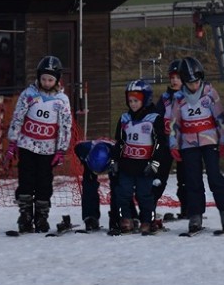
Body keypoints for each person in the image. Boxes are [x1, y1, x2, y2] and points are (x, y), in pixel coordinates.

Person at [3, 55, 73, 233]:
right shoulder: (29, 94)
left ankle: (41, 216)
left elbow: (65, 126)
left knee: (44, 182)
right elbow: (18, 117)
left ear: (57, 80)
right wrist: (12, 142)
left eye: (50, 80)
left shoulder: (62, 100)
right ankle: (25, 215)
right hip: (27, 145)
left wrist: (61, 150)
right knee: (26, 180)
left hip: (47, 149)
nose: (46, 83)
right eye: (43, 79)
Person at [169, 56, 224, 234]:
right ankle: (195, 215)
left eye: (196, 81)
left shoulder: (209, 93)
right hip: (189, 144)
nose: (194, 86)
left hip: (209, 141)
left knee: (214, 177)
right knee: (193, 180)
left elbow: (220, 118)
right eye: (190, 83)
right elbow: (174, 123)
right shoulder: (179, 98)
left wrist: (223, 140)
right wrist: (173, 144)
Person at [112, 79, 168, 235]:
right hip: (127, 164)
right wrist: (114, 160)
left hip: (145, 165)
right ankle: (126, 219)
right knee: (123, 194)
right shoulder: (125, 119)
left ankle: (147, 221)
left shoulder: (154, 119)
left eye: (136, 101)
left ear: (145, 99)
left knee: (145, 195)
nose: (133, 104)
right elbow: (120, 142)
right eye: (130, 101)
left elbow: (159, 143)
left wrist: (155, 162)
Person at [154, 60, 187, 224]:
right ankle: (150, 208)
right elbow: (157, 118)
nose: (174, 81)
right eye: (172, 77)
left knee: (185, 178)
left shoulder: (189, 96)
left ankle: (188, 210)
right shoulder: (165, 98)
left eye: (178, 78)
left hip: (184, 145)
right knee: (159, 176)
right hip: (166, 144)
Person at [73, 139, 126, 232]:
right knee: (88, 187)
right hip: (90, 158)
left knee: (118, 188)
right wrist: (86, 163)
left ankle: (118, 218)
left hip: (114, 160)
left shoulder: (117, 152)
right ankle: (90, 218)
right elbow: (77, 149)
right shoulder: (82, 149)